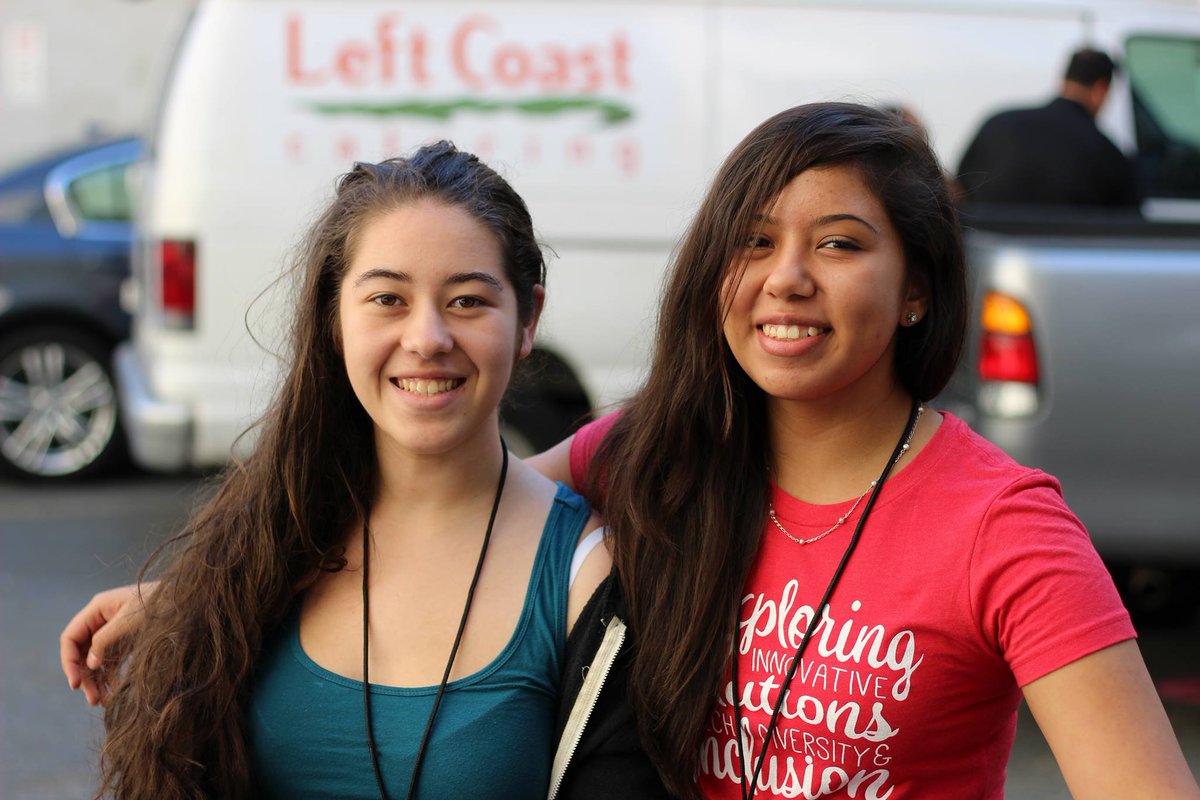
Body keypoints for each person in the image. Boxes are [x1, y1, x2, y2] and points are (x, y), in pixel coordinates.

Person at [64, 105, 1200, 799]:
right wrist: (194, 594)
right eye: (753, 242)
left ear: (916, 291)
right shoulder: (668, 447)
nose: (787, 277)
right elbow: (440, 507)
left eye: (841, 243)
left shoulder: (1004, 527)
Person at [59, 141, 671, 799]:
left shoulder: (589, 579)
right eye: (387, 299)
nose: (428, 337)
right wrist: (199, 603)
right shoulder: (257, 552)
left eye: (467, 301)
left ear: (528, 321)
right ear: (334, 320)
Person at [956, 47, 1140, 208]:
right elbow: (1128, 225)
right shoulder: (1107, 154)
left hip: (991, 245)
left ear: (1064, 80)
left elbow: (960, 191)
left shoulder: (997, 124)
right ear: (1101, 89)